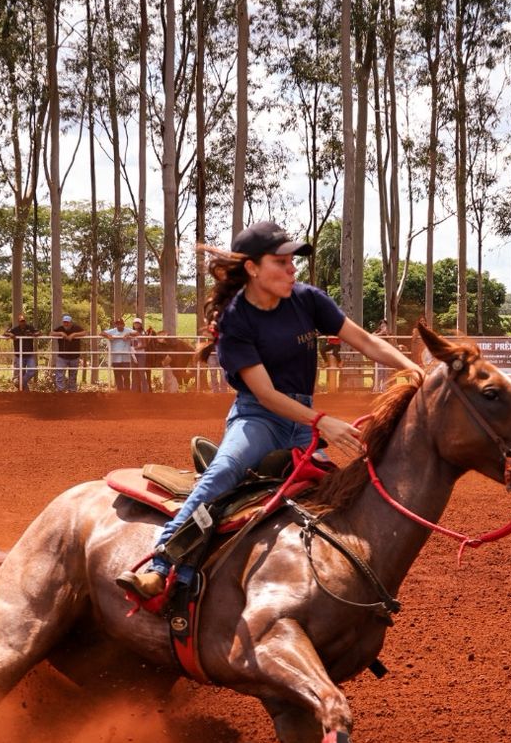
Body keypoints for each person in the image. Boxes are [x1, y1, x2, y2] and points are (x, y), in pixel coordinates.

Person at [115, 221, 422, 601]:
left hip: (302, 420)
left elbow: (363, 340)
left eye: (293, 261)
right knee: (224, 472)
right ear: (252, 268)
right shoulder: (235, 320)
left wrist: (411, 367)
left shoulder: (307, 299)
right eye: (281, 262)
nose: (292, 269)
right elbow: (265, 394)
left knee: (336, 494)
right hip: (258, 418)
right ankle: (160, 566)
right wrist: (321, 421)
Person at [3, 313, 39, 391]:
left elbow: (39, 333)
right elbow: (4, 334)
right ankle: (24, 391)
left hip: (29, 354)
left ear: (25, 321)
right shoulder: (15, 329)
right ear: (18, 322)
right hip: (19, 355)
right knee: (21, 373)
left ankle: (20, 383)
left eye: (23, 321)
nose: (22, 323)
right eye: (21, 321)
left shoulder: (30, 328)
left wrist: (33, 334)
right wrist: (10, 334)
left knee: (32, 370)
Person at [51, 314, 87, 392]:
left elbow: (84, 333)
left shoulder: (76, 328)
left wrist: (74, 334)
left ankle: (72, 391)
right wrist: (60, 333)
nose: (66, 324)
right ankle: (60, 390)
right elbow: (51, 333)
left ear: (71, 322)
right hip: (62, 356)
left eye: (67, 322)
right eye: (64, 322)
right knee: (59, 373)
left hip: (74, 356)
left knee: (73, 374)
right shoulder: (60, 328)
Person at [103, 317, 138, 391]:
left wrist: (129, 334)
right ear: (115, 325)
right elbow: (101, 333)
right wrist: (108, 335)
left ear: (123, 324)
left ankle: (127, 390)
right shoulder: (113, 331)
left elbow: (137, 333)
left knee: (126, 375)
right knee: (117, 375)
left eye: (121, 324)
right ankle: (120, 390)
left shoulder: (127, 330)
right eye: (118, 324)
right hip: (115, 358)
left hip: (126, 357)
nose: (119, 326)